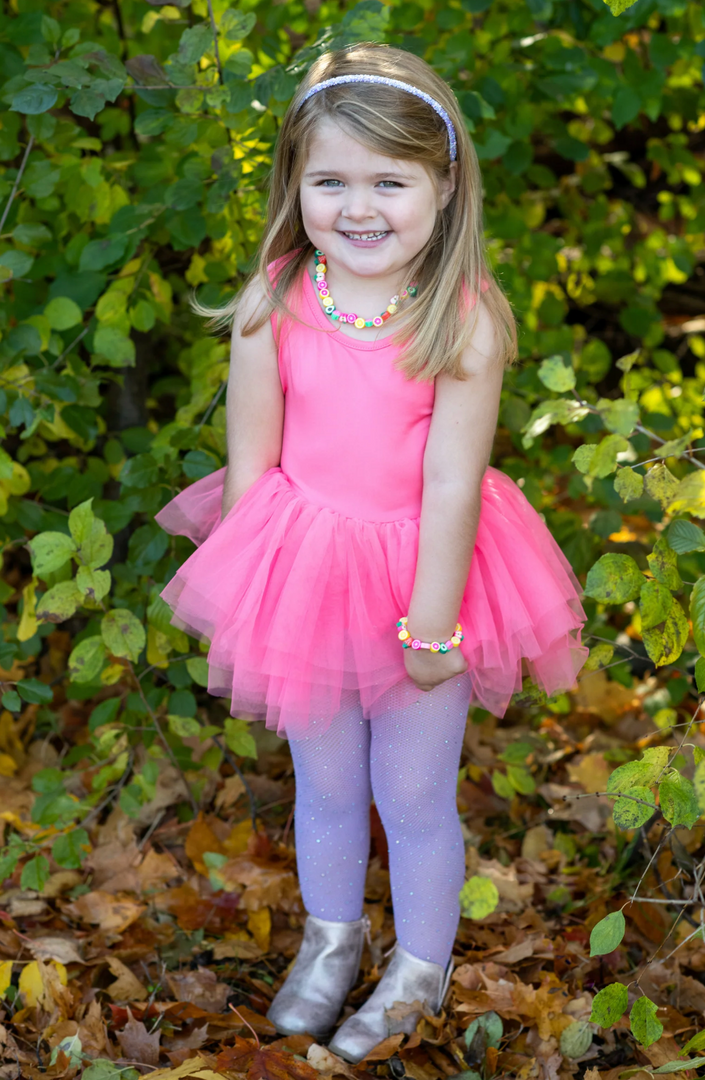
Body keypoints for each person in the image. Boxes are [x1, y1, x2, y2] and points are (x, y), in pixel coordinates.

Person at [155, 42, 589, 1064]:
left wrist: (433, 627)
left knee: (412, 793)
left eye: (389, 181)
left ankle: (421, 967)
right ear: (294, 184)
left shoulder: (462, 320)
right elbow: (253, 468)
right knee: (328, 786)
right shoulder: (274, 301)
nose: (360, 208)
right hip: (304, 573)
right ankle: (332, 940)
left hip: (426, 577)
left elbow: (450, 486)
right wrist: (261, 600)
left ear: (443, 187)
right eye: (331, 180)